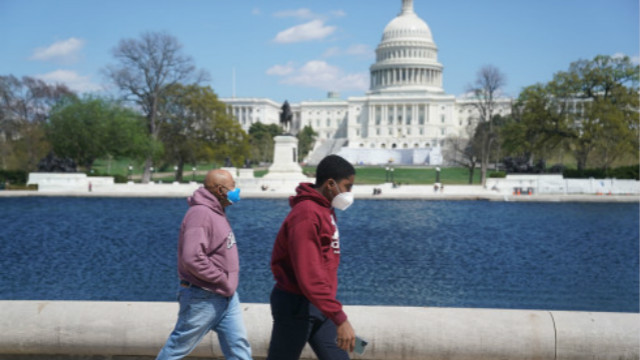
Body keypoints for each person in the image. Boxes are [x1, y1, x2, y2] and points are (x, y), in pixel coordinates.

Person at [267, 154, 357, 360]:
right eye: (348, 186)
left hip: (320, 304)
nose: (350, 192)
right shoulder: (307, 214)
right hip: (297, 304)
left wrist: (331, 308)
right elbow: (309, 273)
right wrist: (341, 319)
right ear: (330, 184)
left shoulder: (325, 208)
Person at [156, 169, 252, 360]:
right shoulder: (200, 214)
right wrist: (221, 279)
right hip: (204, 296)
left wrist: (226, 286)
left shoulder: (216, 211)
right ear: (219, 189)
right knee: (176, 350)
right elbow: (192, 257)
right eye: (233, 186)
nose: (236, 190)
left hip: (226, 296)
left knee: (239, 350)